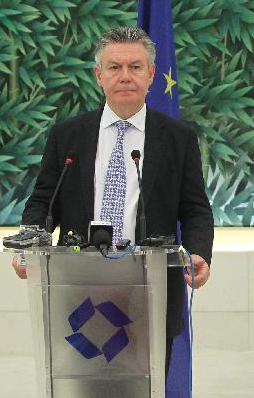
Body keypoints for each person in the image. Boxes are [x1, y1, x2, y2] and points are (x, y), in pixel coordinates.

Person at [12, 26, 214, 368]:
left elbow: (195, 208)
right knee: (80, 384)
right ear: (98, 75)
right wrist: (28, 247)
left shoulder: (178, 138)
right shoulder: (67, 136)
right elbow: (43, 201)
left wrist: (198, 252)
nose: (125, 77)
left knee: (146, 384)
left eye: (135, 67)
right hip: (77, 284)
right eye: (114, 67)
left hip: (151, 286)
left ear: (151, 75)